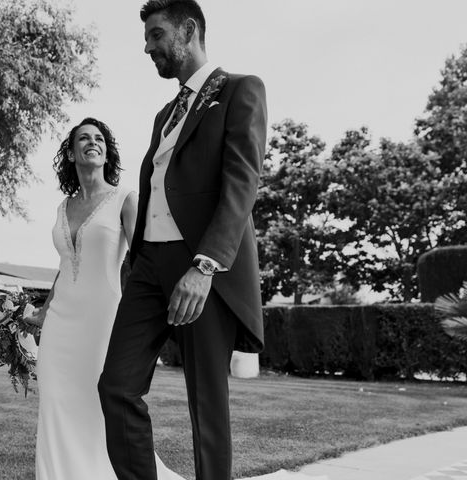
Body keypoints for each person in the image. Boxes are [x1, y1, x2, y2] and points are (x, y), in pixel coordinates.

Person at [97, 1, 267, 480]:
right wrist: (139, 260)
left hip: (201, 266)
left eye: (156, 35)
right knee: (117, 386)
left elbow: (241, 183)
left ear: (188, 30)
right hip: (150, 265)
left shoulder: (239, 90)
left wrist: (206, 265)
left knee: (206, 403)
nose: (148, 47)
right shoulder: (164, 115)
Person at [26, 117, 184, 480]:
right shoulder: (61, 207)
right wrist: (44, 312)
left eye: (99, 138)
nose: (92, 142)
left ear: (107, 152)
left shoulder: (125, 199)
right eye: (83, 138)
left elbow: (144, 260)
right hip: (61, 322)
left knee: (98, 403)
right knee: (55, 402)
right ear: (71, 152)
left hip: (104, 318)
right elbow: (66, 264)